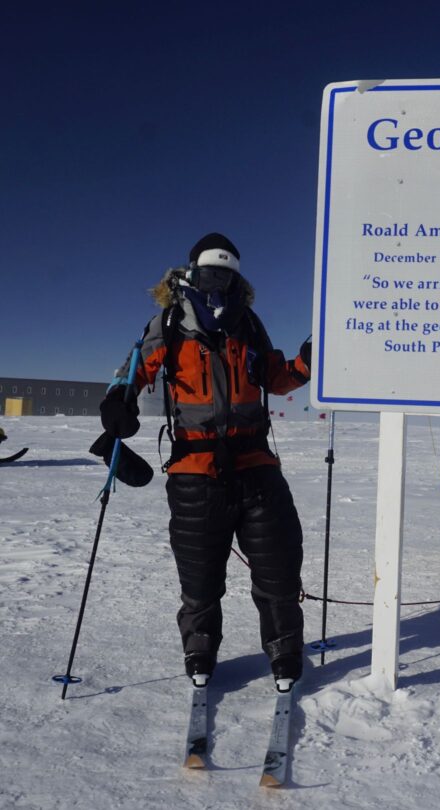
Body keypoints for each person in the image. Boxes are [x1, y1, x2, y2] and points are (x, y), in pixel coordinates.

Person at [99, 233, 311, 692]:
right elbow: (135, 368)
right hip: (195, 468)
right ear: (189, 275)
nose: (217, 284)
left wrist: (308, 361)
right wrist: (119, 399)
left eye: (226, 275)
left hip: (255, 463)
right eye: (209, 274)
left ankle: (285, 649)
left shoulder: (249, 325)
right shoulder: (170, 321)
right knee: (199, 575)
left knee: (278, 564)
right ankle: (200, 648)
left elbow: (275, 377)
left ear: (237, 280)